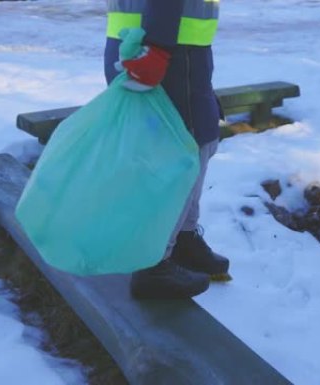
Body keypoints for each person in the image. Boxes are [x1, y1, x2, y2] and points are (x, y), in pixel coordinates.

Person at [104, 0, 230, 299]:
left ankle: (183, 238)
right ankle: (153, 263)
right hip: (164, 48)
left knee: (201, 138)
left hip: (168, 46)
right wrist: (158, 48)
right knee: (184, 150)